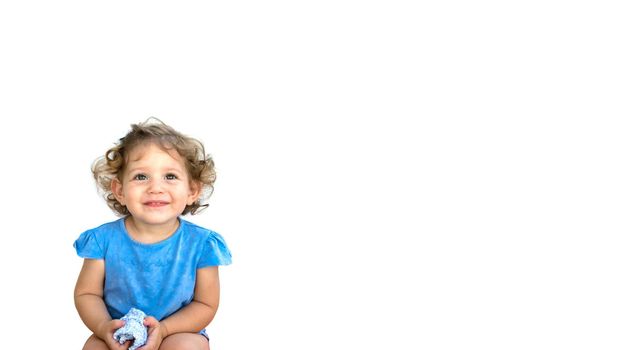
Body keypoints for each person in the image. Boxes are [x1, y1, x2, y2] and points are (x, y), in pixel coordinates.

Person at [73, 118, 232, 350]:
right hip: (118, 330)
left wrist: (164, 329)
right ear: (119, 190)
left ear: (192, 190)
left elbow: (205, 304)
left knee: (188, 346)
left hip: (176, 331)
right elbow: (87, 293)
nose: (155, 187)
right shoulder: (101, 241)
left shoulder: (203, 244)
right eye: (141, 176)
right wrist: (103, 326)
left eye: (170, 176)